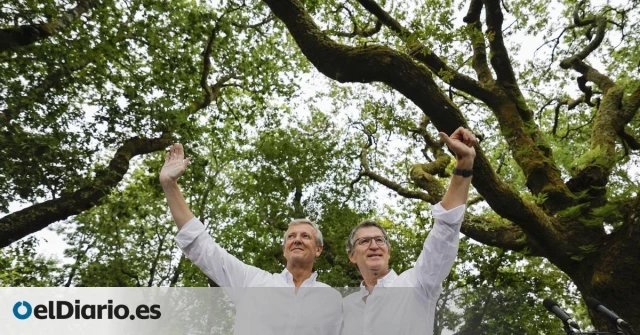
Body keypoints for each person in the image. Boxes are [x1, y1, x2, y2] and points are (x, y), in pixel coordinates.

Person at [160, 143, 342, 335]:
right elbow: (202, 247)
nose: (297, 240)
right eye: (291, 236)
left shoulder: (332, 299)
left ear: (319, 249)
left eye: (305, 236)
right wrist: (169, 185)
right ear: (284, 248)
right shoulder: (252, 282)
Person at [341, 127, 477, 335]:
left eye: (380, 240)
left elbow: (445, 230)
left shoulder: (417, 284)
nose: (374, 246)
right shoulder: (344, 307)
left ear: (389, 250)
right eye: (364, 241)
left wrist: (464, 164)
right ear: (352, 255)